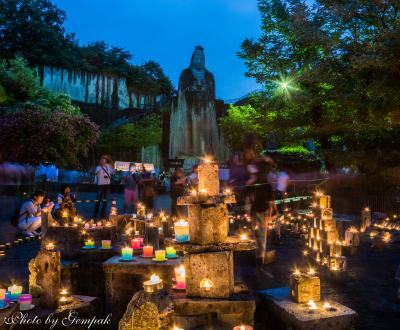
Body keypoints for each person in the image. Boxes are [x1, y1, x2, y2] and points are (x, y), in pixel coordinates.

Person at [246, 157, 276, 266]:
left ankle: (258, 255)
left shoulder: (255, 182)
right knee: (261, 234)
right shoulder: (265, 183)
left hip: (258, 209)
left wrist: (248, 209)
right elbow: (271, 200)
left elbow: (248, 198)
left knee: (257, 233)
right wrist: (273, 211)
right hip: (261, 210)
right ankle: (260, 256)